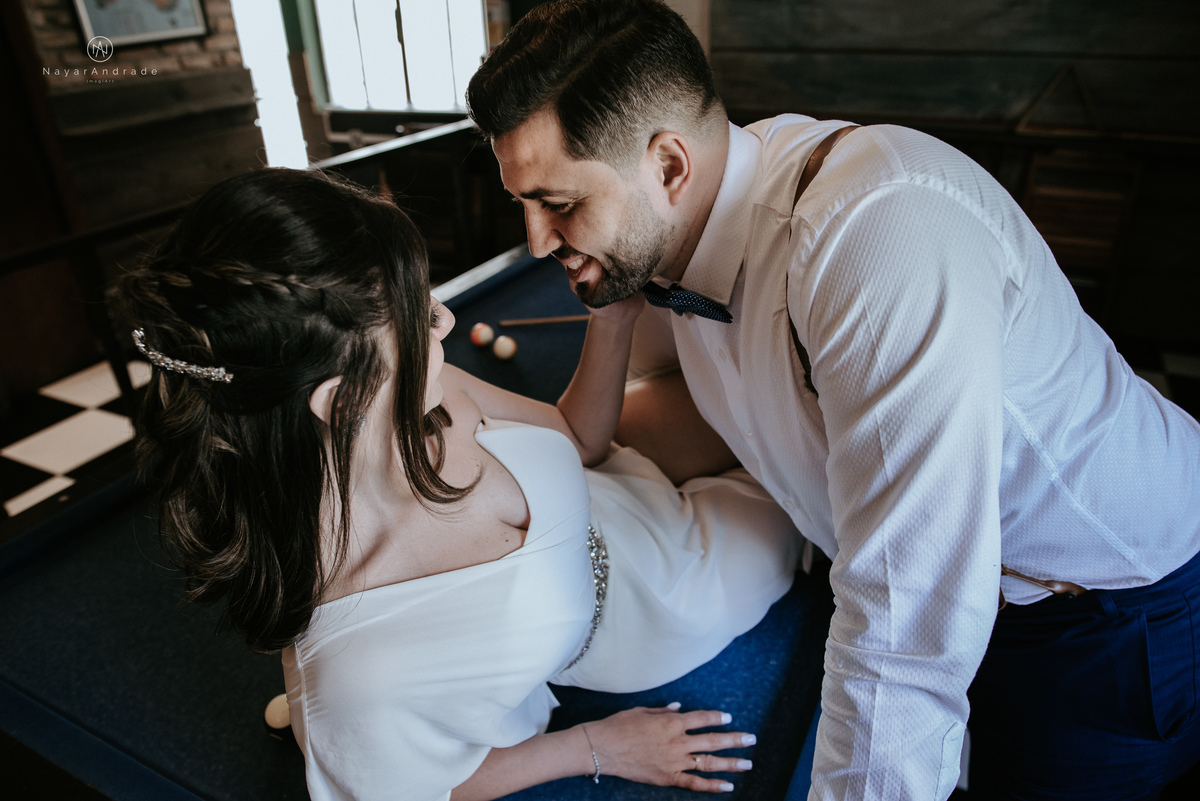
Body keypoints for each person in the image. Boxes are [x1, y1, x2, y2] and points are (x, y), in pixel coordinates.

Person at [464, 1, 1200, 798]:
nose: (536, 242)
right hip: (982, 597)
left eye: (560, 203)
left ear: (669, 166)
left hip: (1113, 610)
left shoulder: (873, 233)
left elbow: (904, 616)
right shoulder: (696, 222)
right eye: (523, 205)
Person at [118, 167, 805, 801]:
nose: (442, 317)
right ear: (343, 400)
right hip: (660, 603)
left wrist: (612, 318)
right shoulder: (359, 674)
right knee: (812, 483)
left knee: (772, 391)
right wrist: (595, 744)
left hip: (620, 496)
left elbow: (577, 438)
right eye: (418, 315)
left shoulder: (409, 391)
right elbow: (427, 789)